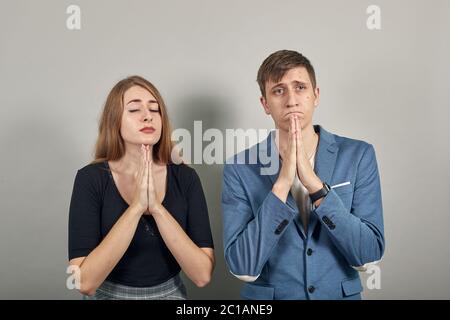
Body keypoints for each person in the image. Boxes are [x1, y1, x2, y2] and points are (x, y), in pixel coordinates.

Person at [221, 50, 385, 300]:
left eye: (300, 87)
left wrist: (316, 186)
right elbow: (242, 265)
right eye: (278, 90)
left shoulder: (359, 154)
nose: (291, 100)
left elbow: (368, 253)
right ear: (265, 104)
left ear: (315, 95)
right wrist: (282, 184)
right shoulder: (239, 167)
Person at [68, 75, 215, 299]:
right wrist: (136, 207)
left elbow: (202, 275)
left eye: (155, 110)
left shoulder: (186, 177)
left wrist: (156, 208)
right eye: (134, 110)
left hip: (171, 294)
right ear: (114, 120)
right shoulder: (90, 179)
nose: (147, 116)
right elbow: (84, 282)